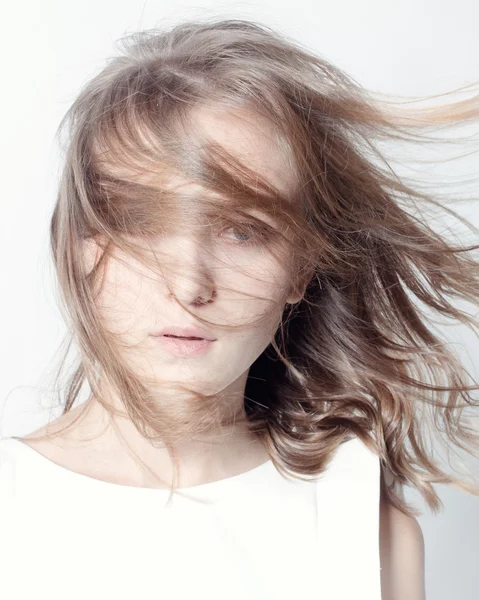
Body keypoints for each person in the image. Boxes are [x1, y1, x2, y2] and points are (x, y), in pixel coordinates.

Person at [1, 17, 478, 600]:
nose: (188, 284)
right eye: (142, 224)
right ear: (73, 248)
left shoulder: (366, 533)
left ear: (301, 269)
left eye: (242, 232)